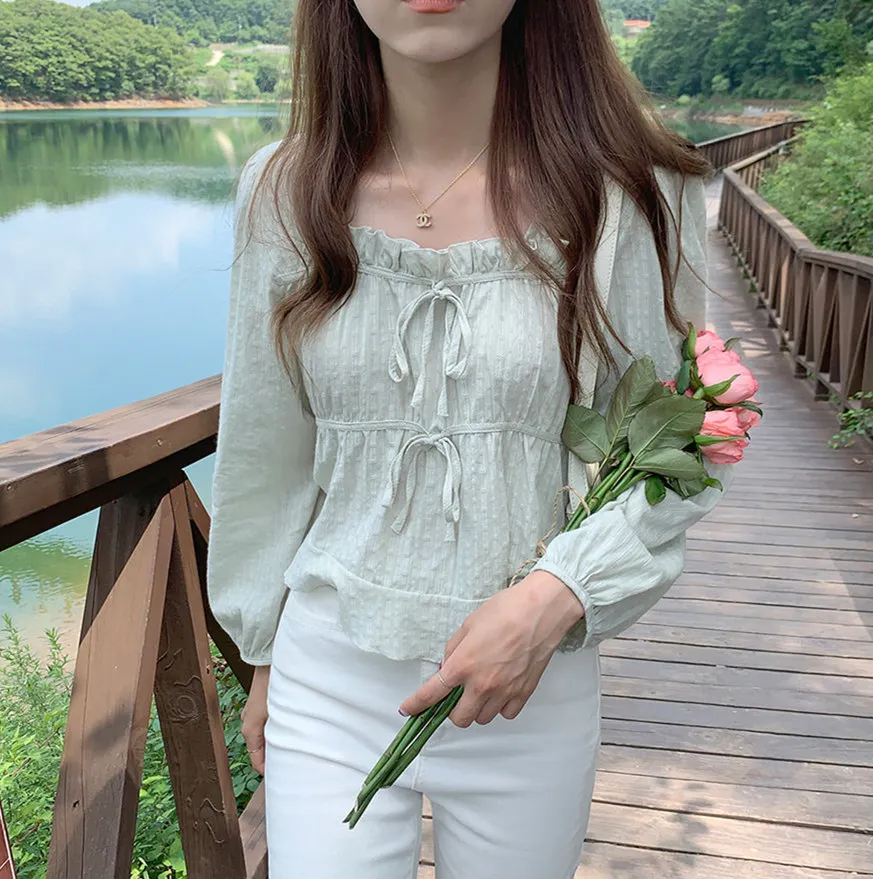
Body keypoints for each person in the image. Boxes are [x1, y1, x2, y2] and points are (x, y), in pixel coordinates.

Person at [207, 1, 729, 876]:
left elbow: (685, 435)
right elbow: (265, 452)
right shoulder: (283, 190)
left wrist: (559, 592)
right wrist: (262, 654)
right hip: (327, 675)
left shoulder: (630, 192)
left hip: (532, 686)